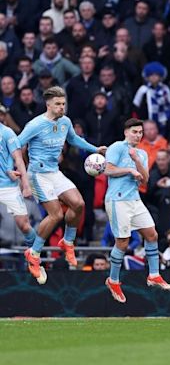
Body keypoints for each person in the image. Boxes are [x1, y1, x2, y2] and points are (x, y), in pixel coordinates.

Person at [18, 87, 107, 283]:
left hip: (54, 172)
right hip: (37, 174)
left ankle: (67, 242)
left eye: (63, 104)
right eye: (58, 104)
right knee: (56, 214)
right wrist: (17, 171)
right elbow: (16, 145)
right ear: (48, 104)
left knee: (79, 204)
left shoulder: (65, 122)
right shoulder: (35, 124)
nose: (61, 107)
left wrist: (95, 149)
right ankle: (33, 253)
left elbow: (74, 139)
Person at [104, 118, 170, 303]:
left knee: (152, 235)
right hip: (117, 199)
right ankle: (113, 280)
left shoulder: (141, 153)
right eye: (134, 131)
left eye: (140, 132)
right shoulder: (117, 147)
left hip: (134, 199)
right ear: (126, 132)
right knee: (122, 242)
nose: (138, 135)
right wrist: (128, 169)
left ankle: (154, 274)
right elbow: (107, 170)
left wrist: (136, 160)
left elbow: (145, 179)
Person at [0, 115, 45, 280]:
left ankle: (35, 261)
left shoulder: (6, 133)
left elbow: (18, 159)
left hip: (7, 186)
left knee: (24, 225)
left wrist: (25, 184)